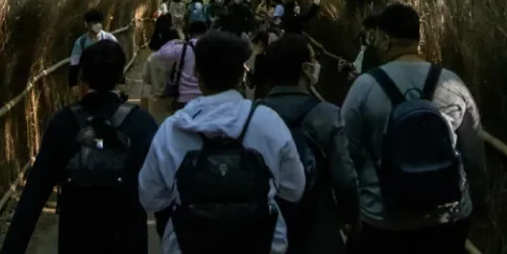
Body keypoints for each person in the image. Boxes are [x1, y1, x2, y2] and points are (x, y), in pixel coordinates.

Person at [139, 30, 306, 254]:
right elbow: (294, 190)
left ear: (197, 72)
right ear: (241, 76)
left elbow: (150, 198)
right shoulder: (268, 123)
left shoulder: (173, 129)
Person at [340, 3, 487, 253]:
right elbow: (474, 152)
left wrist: (351, 210)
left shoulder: (364, 88)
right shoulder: (452, 83)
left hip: (384, 220)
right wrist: (480, 201)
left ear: (385, 39)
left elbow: (347, 154)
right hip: (448, 218)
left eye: (377, 39)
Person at [2, 41, 157, 254]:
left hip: (76, 239)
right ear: (120, 76)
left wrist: (12, 248)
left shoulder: (63, 123)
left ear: (83, 77)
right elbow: (163, 188)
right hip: (128, 240)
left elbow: (34, 193)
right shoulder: (142, 123)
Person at [260, 33, 359, 254]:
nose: (317, 64)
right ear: (305, 68)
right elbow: (345, 178)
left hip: (267, 220)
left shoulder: (254, 114)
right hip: (318, 221)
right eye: (313, 59)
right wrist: (351, 218)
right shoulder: (327, 115)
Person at [154, 20, 209, 108]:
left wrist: (174, 41)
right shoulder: (213, 49)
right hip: (206, 98)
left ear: (189, 34)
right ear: (206, 32)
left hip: (184, 98)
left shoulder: (182, 49)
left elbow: (160, 54)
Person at [69, 8, 119, 86]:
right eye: (94, 23)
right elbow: (74, 63)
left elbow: (118, 59)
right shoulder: (81, 42)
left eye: (99, 22)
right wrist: (73, 84)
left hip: (107, 81)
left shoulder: (110, 39)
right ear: (86, 24)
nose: (97, 25)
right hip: (88, 82)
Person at [142, 24, 181, 123]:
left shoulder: (153, 57)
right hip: (176, 99)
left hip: (157, 101)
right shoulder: (181, 56)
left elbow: (146, 77)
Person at [247, 29, 273, 99]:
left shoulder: (260, 57)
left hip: (262, 91)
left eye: (254, 44)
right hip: (271, 90)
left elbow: (257, 79)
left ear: (260, 43)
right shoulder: (272, 54)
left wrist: (249, 73)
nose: (253, 47)